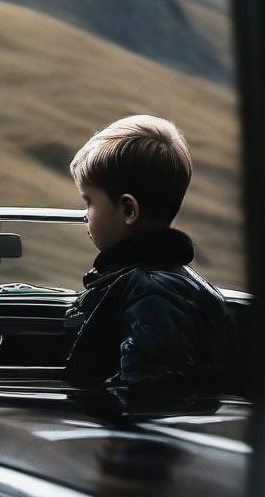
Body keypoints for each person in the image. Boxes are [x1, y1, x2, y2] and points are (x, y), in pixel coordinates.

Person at [63, 114, 230, 396]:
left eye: (89, 202)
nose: (85, 215)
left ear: (129, 210)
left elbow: (146, 395)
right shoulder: (151, 283)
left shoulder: (152, 294)